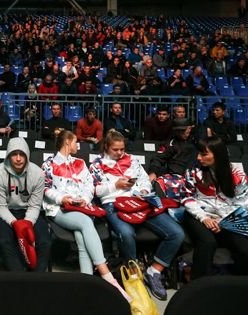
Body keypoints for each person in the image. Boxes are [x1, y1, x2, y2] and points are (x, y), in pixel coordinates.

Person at [90, 130, 184, 301]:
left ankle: (154, 271)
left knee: (176, 233)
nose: (120, 153)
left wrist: (144, 191)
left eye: (122, 149)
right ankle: (134, 276)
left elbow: (145, 180)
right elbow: (94, 190)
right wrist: (115, 185)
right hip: (113, 203)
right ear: (106, 147)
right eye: (115, 149)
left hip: (140, 201)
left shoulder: (132, 160)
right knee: (126, 234)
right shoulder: (97, 164)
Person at [41, 131, 130, 301]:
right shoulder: (48, 164)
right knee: (86, 223)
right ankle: (105, 274)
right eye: (75, 142)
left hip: (80, 207)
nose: (78, 145)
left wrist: (84, 199)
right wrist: (62, 198)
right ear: (67, 142)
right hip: (59, 209)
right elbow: (45, 188)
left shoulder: (80, 163)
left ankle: (87, 286)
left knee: (81, 237)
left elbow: (90, 186)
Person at [181, 136, 248, 279]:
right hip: (198, 215)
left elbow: (243, 203)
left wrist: (222, 221)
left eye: (204, 154)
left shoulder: (237, 174)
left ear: (218, 154)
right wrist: (204, 218)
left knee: (244, 248)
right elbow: (187, 198)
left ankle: (238, 284)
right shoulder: (193, 171)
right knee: (207, 242)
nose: (198, 157)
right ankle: (198, 285)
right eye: (198, 153)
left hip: (226, 218)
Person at [0, 137, 51, 271]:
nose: (18, 159)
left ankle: (37, 278)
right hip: (4, 211)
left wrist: (27, 223)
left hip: (28, 211)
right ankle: (18, 277)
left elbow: (35, 205)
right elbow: (0, 206)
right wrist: (15, 223)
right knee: (6, 242)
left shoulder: (38, 174)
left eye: (22, 154)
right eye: (14, 154)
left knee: (44, 242)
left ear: (27, 155)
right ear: (8, 156)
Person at [147, 118, 197, 183]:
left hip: (195, 174)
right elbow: (158, 159)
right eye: (179, 131)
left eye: (184, 130)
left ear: (189, 128)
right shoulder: (169, 144)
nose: (182, 133)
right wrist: (153, 172)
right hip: (176, 176)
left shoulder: (196, 142)